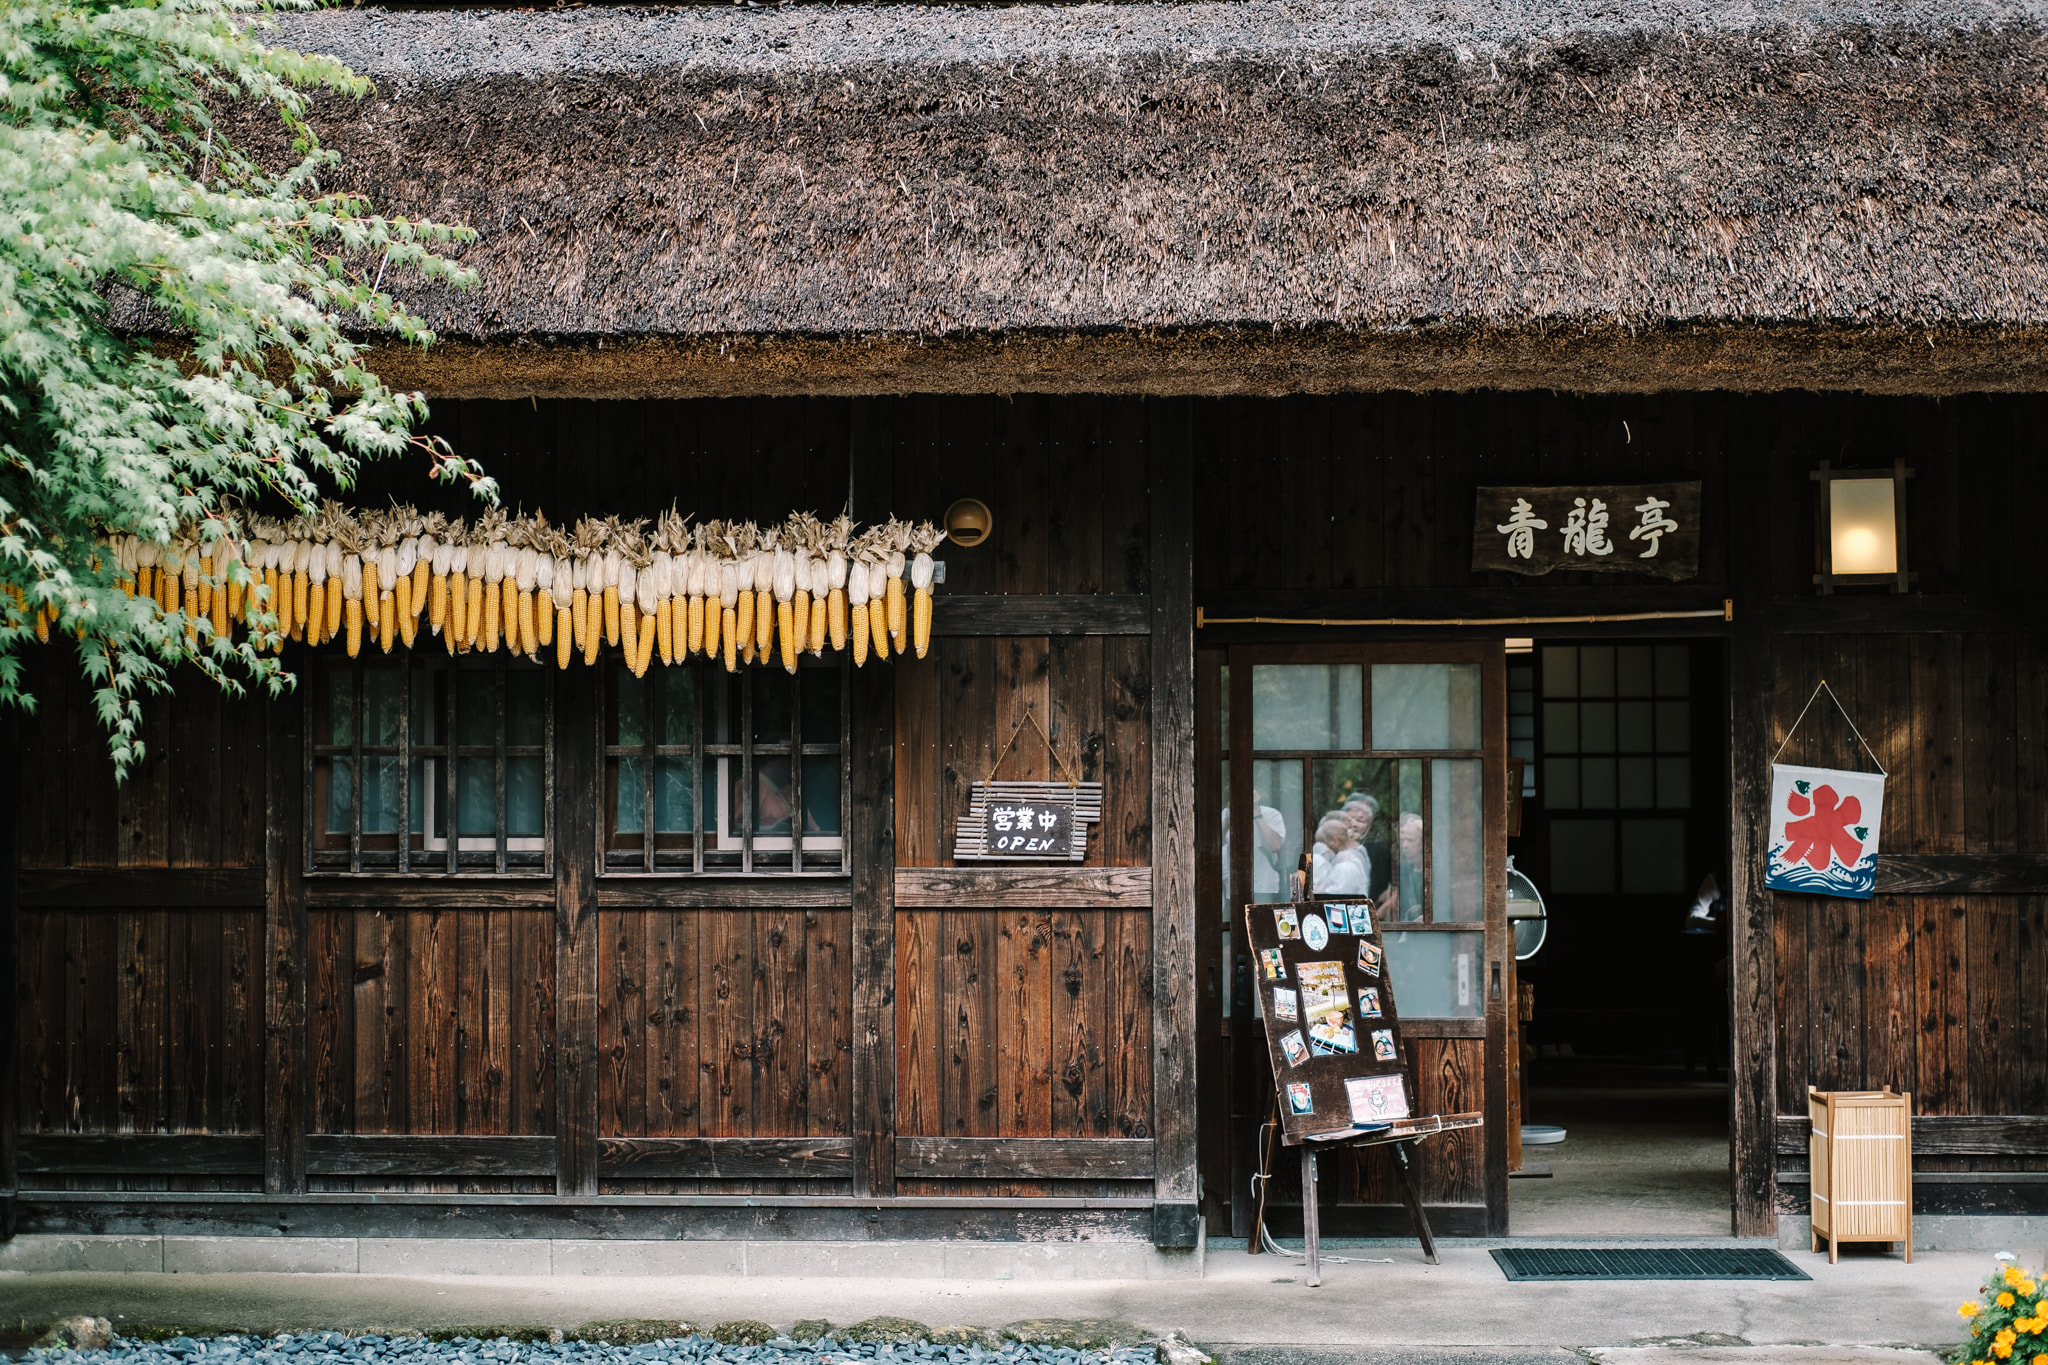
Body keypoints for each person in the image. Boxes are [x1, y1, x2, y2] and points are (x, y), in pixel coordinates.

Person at [1311, 816, 1368, 895]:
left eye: (1324, 846)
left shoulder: (1345, 867)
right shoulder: (1344, 863)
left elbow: (1337, 898)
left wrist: (1319, 891)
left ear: (1335, 841)